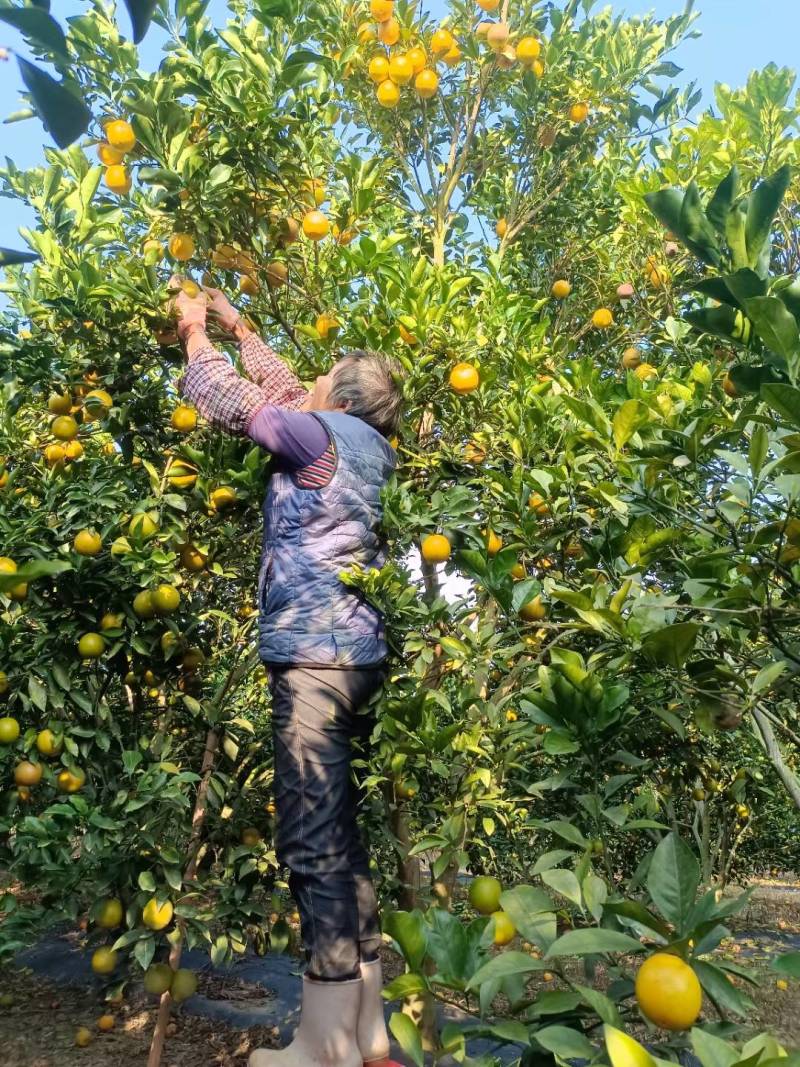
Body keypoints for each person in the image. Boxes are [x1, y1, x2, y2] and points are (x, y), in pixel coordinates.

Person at [172, 279, 404, 1067]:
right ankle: (368, 1034)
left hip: (312, 663)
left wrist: (196, 333)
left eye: (322, 375)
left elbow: (230, 398)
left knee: (311, 844)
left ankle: (321, 1045)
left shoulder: (316, 438)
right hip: (357, 661)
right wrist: (242, 324)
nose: (305, 380)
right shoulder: (366, 447)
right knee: (343, 838)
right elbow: (282, 385)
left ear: (336, 399)